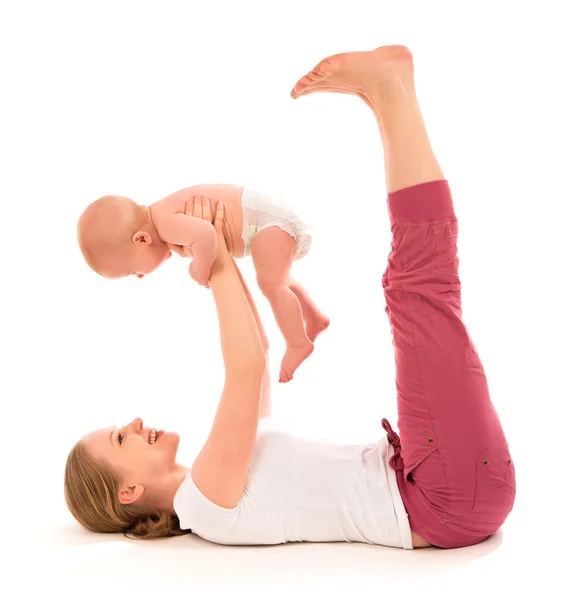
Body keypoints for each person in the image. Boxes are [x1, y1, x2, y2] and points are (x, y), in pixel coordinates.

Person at [65, 44, 515, 550]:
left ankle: (384, 93)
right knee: (414, 289)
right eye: (120, 438)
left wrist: (221, 250)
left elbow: (257, 346)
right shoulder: (204, 503)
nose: (134, 422)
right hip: (444, 497)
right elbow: (247, 367)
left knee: (411, 289)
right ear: (129, 491)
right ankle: (391, 92)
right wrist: (210, 260)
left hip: (430, 474)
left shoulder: (223, 468)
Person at [77, 184, 326, 382]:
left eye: (133, 271)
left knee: (272, 285)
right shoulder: (163, 214)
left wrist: (200, 267)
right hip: (269, 223)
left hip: (271, 225)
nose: (140, 276)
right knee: (281, 281)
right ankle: (314, 319)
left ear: (141, 240)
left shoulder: (164, 222)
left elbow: (206, 235)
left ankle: (297, 342)